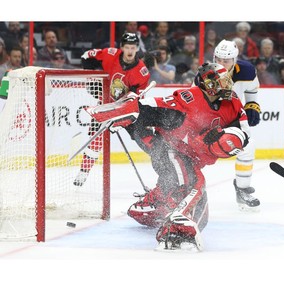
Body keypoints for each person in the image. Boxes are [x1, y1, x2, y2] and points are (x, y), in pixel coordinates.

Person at [85, 62, 250, 251]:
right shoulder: (189, 99)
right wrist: (122, 110)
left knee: (201, 218)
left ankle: (156, 202)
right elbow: (149, 108)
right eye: (222, 81)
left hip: (190, 157)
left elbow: (244, 133)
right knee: (194, 185)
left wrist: (230, 136)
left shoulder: (233, 103)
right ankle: (174, 230)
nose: (228, 85)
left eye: (227, 80)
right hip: (170, 150)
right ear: (209, 84)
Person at [73, 32, 150, 186]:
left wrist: (121, 109)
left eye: (133, 48)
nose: (129, 51)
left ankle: (162, 160)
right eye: (127, 47)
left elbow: (134, 98)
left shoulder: (142, 72)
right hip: (105, 106)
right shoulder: (110, 54)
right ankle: (84, 172)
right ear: (121, 47)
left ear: (137, 49)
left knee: (143, 136)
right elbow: (86, 56)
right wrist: (93, 79)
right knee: (95, 141)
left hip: (126, 110)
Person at [198, 39, 261, 211]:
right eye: (218, 59)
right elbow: (195, 102)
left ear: (235, 60)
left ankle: (242, 189)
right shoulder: (204, 74)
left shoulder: (247, 71)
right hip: (209, 120)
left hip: (233, 117)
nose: (221, 63)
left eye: (226, 60)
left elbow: (252, 89)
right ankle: (186, 189)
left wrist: (252, 105)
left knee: (248, 147)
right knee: (194, 154)